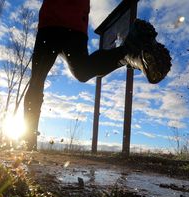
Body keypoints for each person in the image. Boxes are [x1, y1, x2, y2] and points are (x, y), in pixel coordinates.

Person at [24, 0, 171, 150]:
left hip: (53, 25)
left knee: (37, 80)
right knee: (81, 71)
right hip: (73, 25)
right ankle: (128, 52)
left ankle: (28, 144)